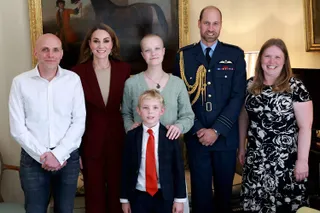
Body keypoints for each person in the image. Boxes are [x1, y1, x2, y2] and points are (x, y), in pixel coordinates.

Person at [173, 5, 247, 213]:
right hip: (197, 138)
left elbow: (237, 96)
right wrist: (198, 129)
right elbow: (180, 98)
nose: (211, 28)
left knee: (224, 197)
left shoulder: (234, 55)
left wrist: (216, 130)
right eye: (207, 23)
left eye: (215, 23)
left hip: (224, 138)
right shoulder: (183, 57)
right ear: (199, 24)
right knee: (201, 195)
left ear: (221, 25)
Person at [9, 33, 86, 213]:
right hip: (33, 160)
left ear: (61, 54)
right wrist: (44, 156)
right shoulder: (20, 82)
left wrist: (58, 154)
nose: (50, 54)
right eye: (45, 50)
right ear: (36, 53)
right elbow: (17, 128)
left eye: (55, 50)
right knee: (35, 209)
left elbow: (79, 122)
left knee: (65, 210)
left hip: (67, 159)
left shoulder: (73, 80)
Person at [238, 38, 313, 212]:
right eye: (267, 56)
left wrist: (303, 161)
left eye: (277, 57)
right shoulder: (249, 85)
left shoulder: (296, 87)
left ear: (285, 60)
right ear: (260, 59)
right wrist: (241, 147)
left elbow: (305, 127)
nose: (272, 62)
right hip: (256, 161)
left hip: (285, 163)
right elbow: (243, 118)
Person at [121, 34, 194, 212]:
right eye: (148, 49)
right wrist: (130, 126)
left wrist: (179, 127)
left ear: (163, 51)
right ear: (142, 54)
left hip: (168, 150)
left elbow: (188, 115)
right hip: (142, 148)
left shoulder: (177, 84)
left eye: (156, 48)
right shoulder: (131, 84)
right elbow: (126, 113)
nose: (153, 53)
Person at [72, 23, 131, 213]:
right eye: (96, 41)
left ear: (112, 44)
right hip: (90, 142)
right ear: (89, 44)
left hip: (118, 141)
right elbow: (72, 114)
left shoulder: (124, 69)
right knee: (94, 196)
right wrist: (77, 150)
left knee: (118, 194)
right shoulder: (77, 73)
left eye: (106, 41)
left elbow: (129, 107)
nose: (101, 45)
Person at [120, 89, 186, 213]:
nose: (150, 111)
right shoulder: (131, 136)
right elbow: (125, 168)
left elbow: (178, 169)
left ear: (162, 111)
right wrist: (124, 199)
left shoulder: (170, 136)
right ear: (139, 111)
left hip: (164, 195)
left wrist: (179, 199)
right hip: (139, 194)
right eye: (145, 108)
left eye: (155, 107)